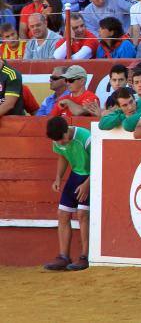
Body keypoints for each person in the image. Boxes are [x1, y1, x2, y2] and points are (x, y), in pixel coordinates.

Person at [43, 116, 91, 272]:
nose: (59, 143)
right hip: (75, 176)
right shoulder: (57, 139)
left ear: (67, 131)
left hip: (92, 176)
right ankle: (64, 256)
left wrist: (88, 184)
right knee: (62, 214)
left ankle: (85, 256)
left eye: (61, 140)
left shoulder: (85, 137)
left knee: (83, 214)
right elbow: (62, 157)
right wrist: (58, 178)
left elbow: (100, 160)